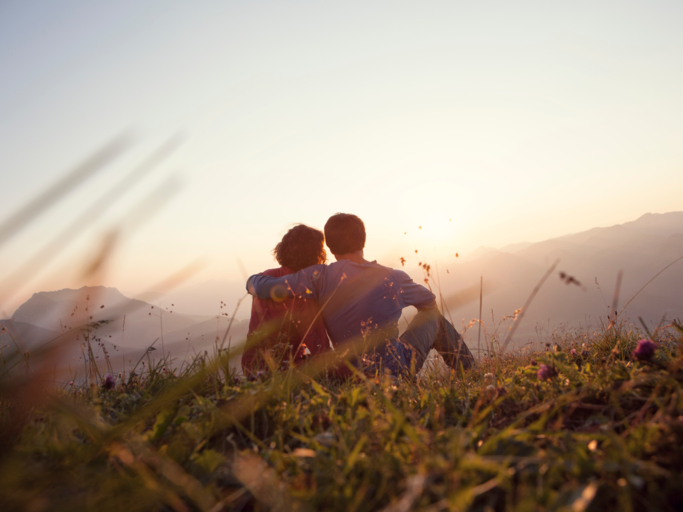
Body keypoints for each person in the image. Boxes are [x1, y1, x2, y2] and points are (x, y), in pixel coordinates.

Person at [246, 213, 474, 378]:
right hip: (396, 369)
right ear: (363, 240)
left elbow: (263, 287)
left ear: (331, 248)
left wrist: (252, 280)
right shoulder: (393, 277)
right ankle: (471, 373)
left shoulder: (318, 277)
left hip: (351, 372)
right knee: (434, 318)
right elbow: (429, 301)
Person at [241, 224, 330, 378]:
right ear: (317, 255)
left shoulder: (266, 277)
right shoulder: (303, 296)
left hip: (250, 367)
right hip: (283, 372)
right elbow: (320, 351)